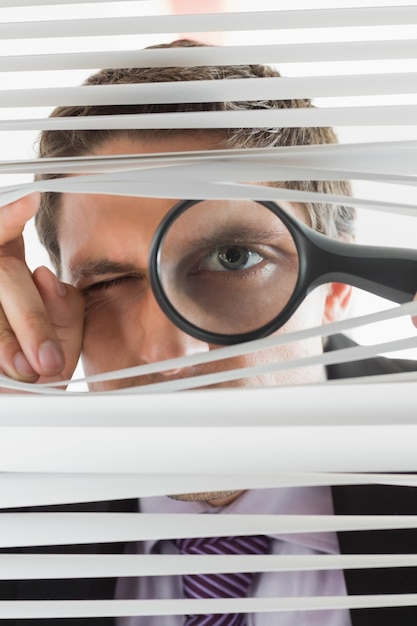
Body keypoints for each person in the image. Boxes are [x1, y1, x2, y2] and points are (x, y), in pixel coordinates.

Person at [0, 39, 417, 626]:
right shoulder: (21, 515)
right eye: (106, 284)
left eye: (233, 259)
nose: (166, 353)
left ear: (339, 285)